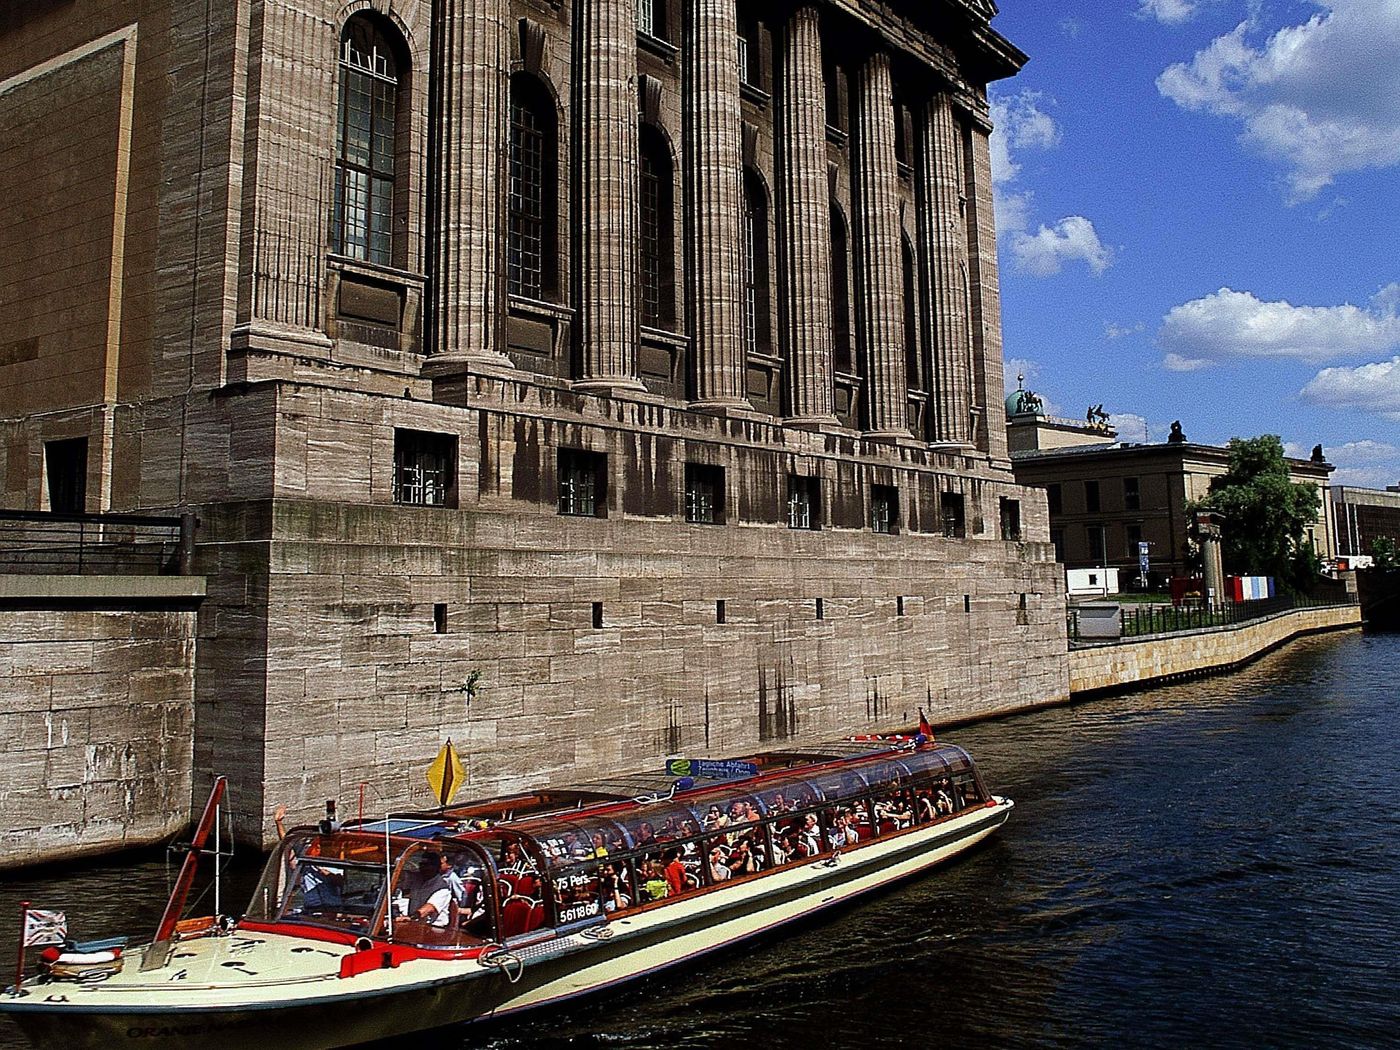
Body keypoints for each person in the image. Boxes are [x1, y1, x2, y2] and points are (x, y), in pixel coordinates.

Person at [406, 851, 453, 928]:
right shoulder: (417, 881)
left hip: (435, 930)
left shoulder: (443, 888)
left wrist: (410, 918)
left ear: (436, 867)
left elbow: (428, 908)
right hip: (415, 926)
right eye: (422, 864)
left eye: (427, 865)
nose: (423, 868)